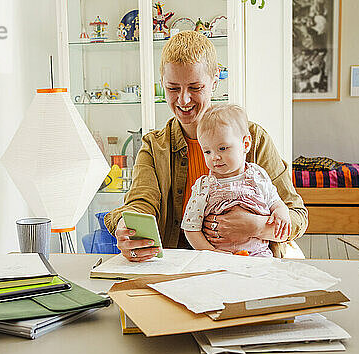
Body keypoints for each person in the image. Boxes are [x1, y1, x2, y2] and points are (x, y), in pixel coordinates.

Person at [104, 31, 307, 262]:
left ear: (214, 80)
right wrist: (126, 225)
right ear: (162, 82)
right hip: (177, 268)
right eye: (172, 88)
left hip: (251, 268)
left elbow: (297, 215)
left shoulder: (254, 138)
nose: (183, 100)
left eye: (195, 87)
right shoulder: (154, 146)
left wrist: (256, 227)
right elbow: (141, 203)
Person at [181, 104, 291, 257]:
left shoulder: (257, 175)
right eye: (207, 151)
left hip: (259, 256)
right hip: (220, 259)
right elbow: (190, 228)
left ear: (245, 144)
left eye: (223, 148)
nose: (214, 157)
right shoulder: (204, 187)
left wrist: (282, 213)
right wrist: (212, 253)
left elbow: (276, 203)